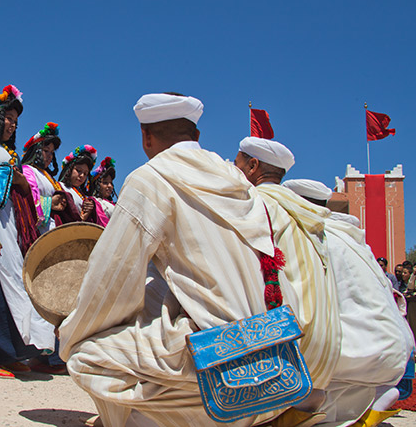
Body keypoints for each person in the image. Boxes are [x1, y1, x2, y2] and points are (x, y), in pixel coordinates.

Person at [60, 93, 278, 426]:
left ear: (146, 137)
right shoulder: (238, 183)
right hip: (271, 363)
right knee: (154, 293)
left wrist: (72, 331)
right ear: (197, 137)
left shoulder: (152, 179)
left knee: (84, 353)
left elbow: (111, 278)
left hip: (218, 366)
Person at [282, 179, 414, 424]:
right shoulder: (353, 240)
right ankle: (372, 405)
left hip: (355, 353)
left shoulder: (315, 239)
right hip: (395, 349)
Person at [234, 137, 342, 417]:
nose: (234, 170)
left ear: (253, 166)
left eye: (237, 164)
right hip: (327, 353)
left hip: (292, 350)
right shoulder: (307, 213)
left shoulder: (256, 203)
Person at [0, 85, 55, 373]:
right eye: (7, 118)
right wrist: (11, 179)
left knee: (15, 283)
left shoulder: (9, 153)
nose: (12, 125)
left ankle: (16, 353)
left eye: (16, 122)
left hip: (10, 222)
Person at [21, 122, 64, 234]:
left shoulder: (49, 177)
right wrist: (50, 203)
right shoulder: (27, 170)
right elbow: (27, 198)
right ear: (36, 150)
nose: (50, 156)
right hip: (38, 230)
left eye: (52, 152)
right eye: (46, 151)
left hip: (54, 226)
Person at [57, 145, 106, 224]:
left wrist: (90, 211)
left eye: (85, 173)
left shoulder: (83, 196)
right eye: (79, 170)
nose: (82, 176)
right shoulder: (58, 186)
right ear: (69, 169)